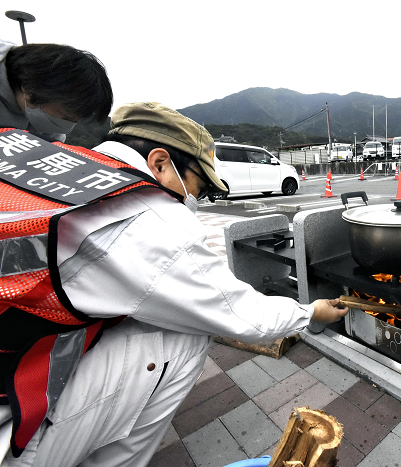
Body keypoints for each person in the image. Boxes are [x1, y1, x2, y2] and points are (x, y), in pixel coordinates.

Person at [0, 102, 348, 467]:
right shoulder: (142, 214)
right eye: (197, 187)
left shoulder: (52, 160)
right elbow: (236, 313)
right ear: (160, 162)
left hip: (21, 349)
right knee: (184, 335)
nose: (194, 199)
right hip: (11, 425)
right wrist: (310, 311)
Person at [0, 39, 112, 142]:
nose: (66, 128)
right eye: (64, 117)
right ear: (30, 90)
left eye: (74, 122)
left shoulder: (49, 125)